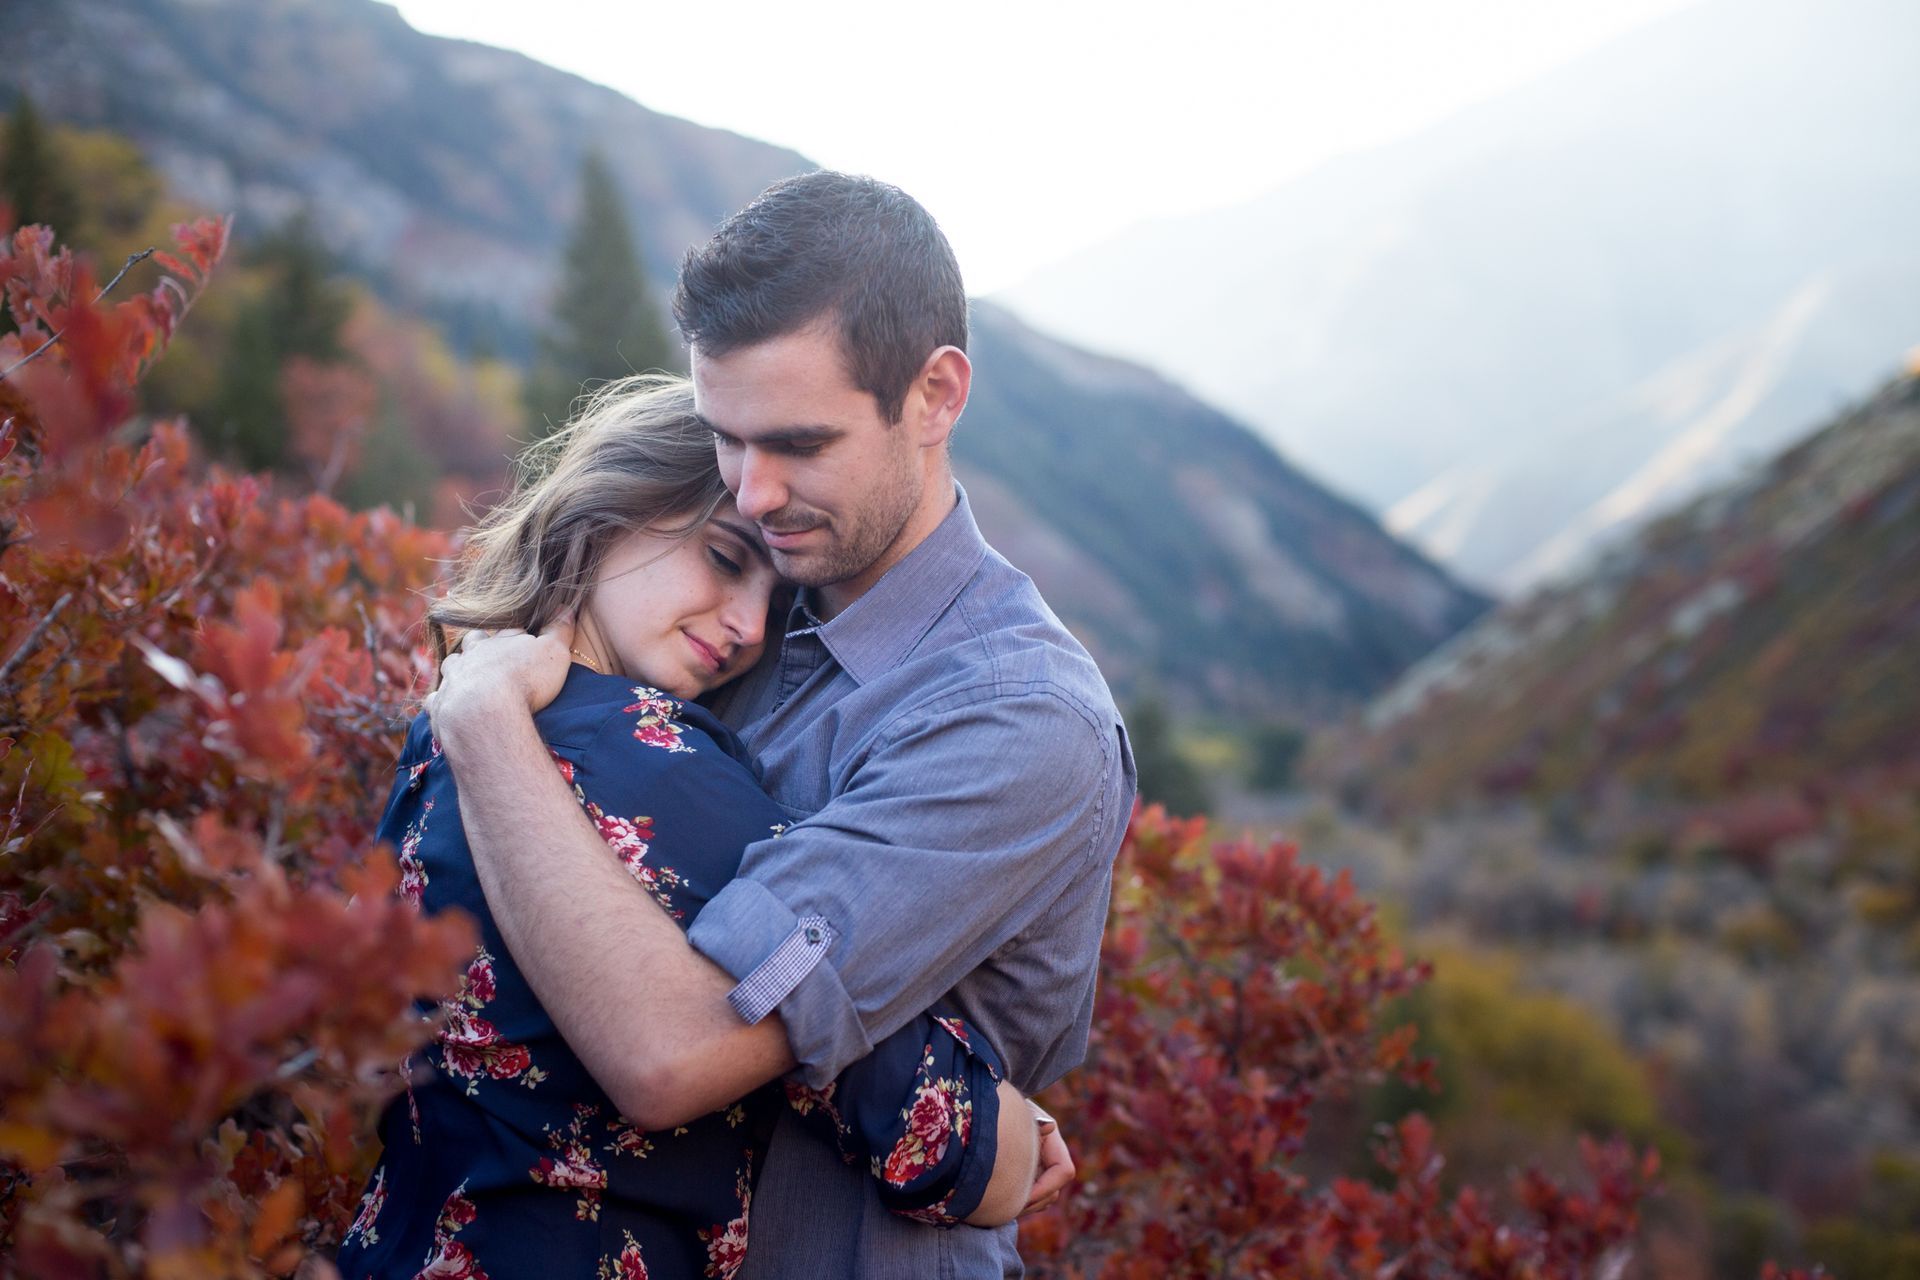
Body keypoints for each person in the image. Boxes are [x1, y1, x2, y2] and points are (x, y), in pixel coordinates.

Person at [429, 172, 1135, 1278]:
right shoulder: (738, 614)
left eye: (799, 443)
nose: (752, 492)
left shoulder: (1019, 719)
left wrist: (485, 725)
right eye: (726, 437)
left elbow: (675, 1048)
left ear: (936, 395)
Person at [338, 376, 1039, 1280]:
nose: (748, 626)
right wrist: (1017, 1136)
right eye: (722, 556)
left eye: (777, 603)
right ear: (608, 512)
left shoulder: (446, 724)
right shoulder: (660, 763)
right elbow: (913, 1112)